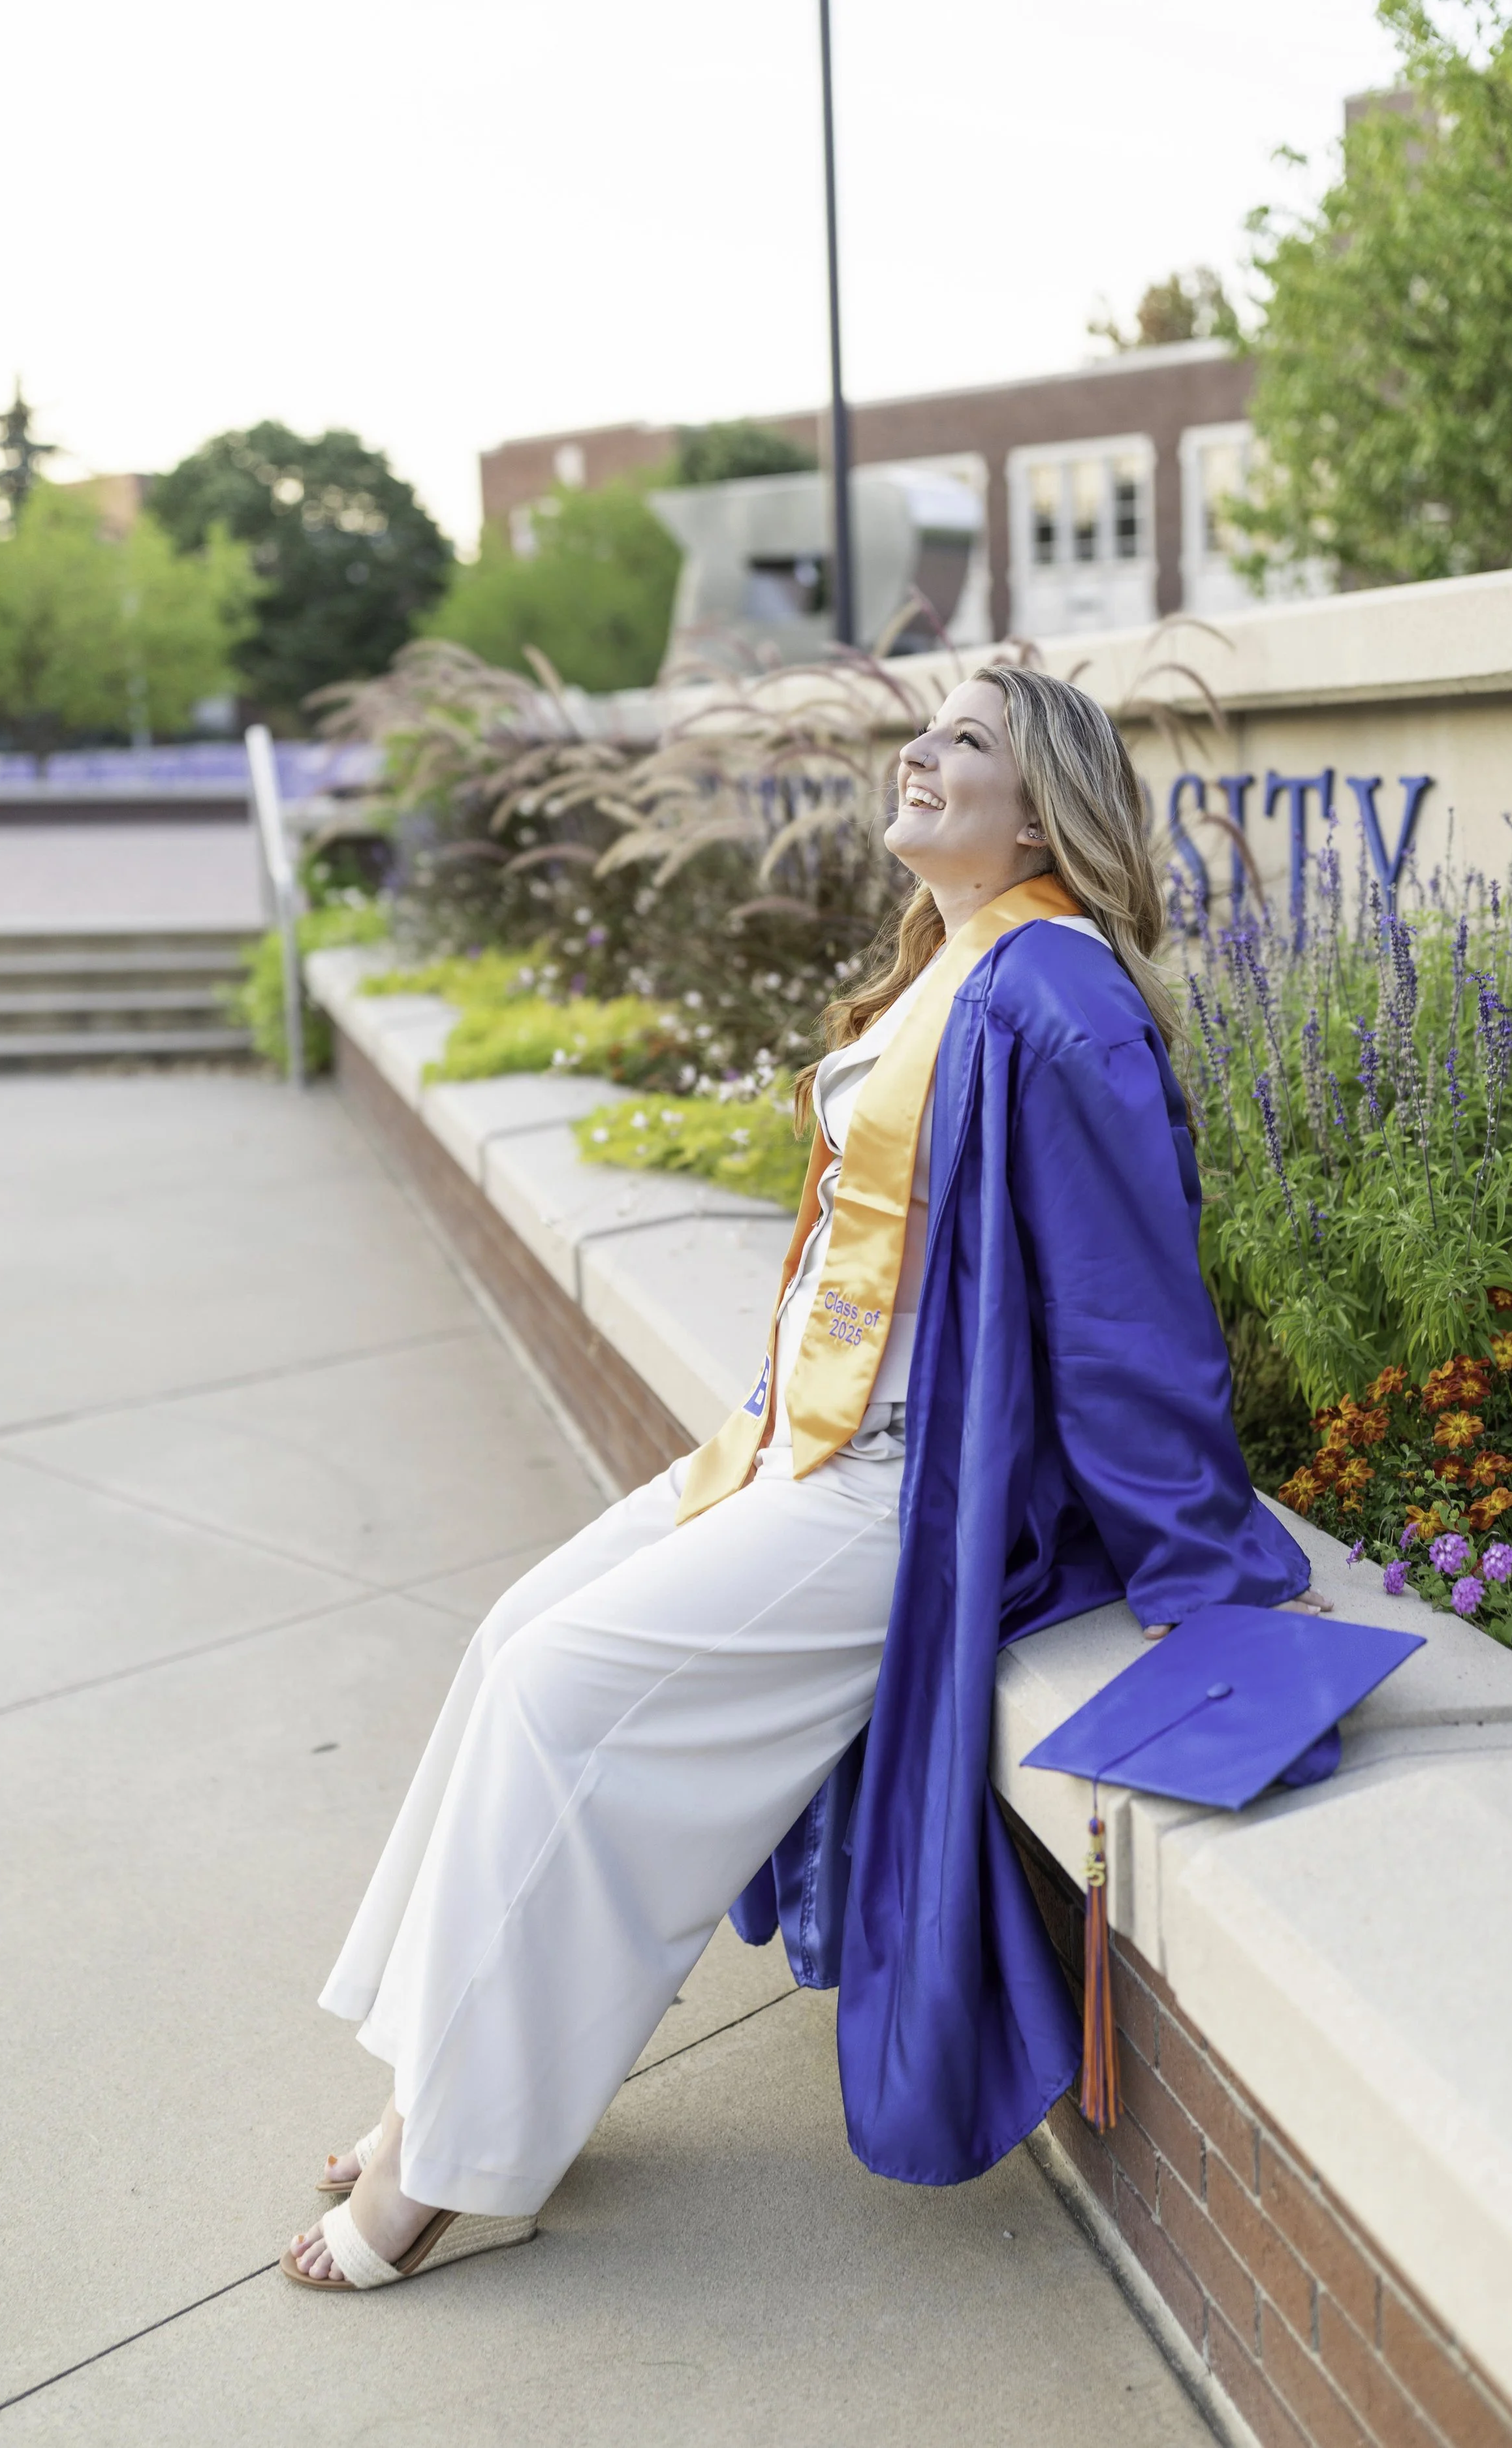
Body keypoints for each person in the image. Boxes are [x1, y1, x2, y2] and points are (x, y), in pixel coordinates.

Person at [285, 665, 1324, 2292]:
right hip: (797, 1446)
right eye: (923, 732)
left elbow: (1131, 1314)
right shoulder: (950, 963)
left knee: (569, 1692)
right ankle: (434, 2075)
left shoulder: (1059, 996)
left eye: (964, 740)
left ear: (1043, 807)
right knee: (516, 1635)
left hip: (905, 1493)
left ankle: (451, 2159)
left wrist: (1204, 1578)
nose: (915, 753)